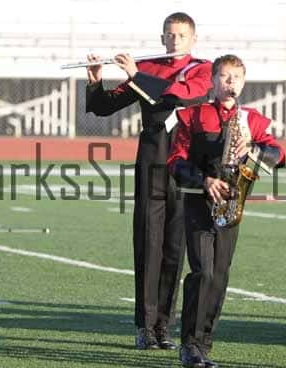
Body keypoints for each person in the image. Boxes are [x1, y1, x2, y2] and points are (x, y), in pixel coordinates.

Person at [85, 12, 213, 350]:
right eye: (169, 35)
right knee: (148, 243)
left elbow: (181, 96)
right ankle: (144, 325)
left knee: (174, 247)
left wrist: (136, 74)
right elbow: (103, 108)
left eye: (181, 36)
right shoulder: (149, 68)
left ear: (193, 39)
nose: (174, 41)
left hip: (185, 166)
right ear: (162, 38)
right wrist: (96, 81)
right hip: (152, 163)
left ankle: (163, 326)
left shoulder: (201, 68)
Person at [167, 54, 285, 368]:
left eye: (236, 77)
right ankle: (189, 345)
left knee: (219, 277)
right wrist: (204, 180)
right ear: (213, 81)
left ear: (243, 82)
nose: (230, 82)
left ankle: (204, 344)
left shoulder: (254, 120)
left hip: (233, 202)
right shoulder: (192, 116)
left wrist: (254, 151)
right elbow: (175, 160)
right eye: (224, 76)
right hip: (199, 201)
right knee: (202, 272)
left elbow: (279, 154)